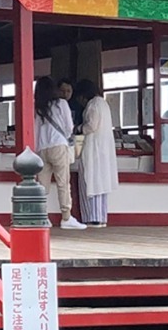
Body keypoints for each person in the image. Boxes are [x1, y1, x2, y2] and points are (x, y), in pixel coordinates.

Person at [36, 78, 84, 228]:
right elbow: (69, 127)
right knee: (63, 182)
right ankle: (66, 217)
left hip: (42, 148)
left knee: (42, 185)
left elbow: (35, 129)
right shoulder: (61, 104)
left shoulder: (37, 107)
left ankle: (42, 217)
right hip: (59, 145)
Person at [75, 78, 118, 226]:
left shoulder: (93, 105)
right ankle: (101, 217)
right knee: (101, 183)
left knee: (90, 181)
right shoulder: (103, 103)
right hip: (104, 149)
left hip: (93, 147)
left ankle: (91, 217)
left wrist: (79, 128)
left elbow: (91, 126)